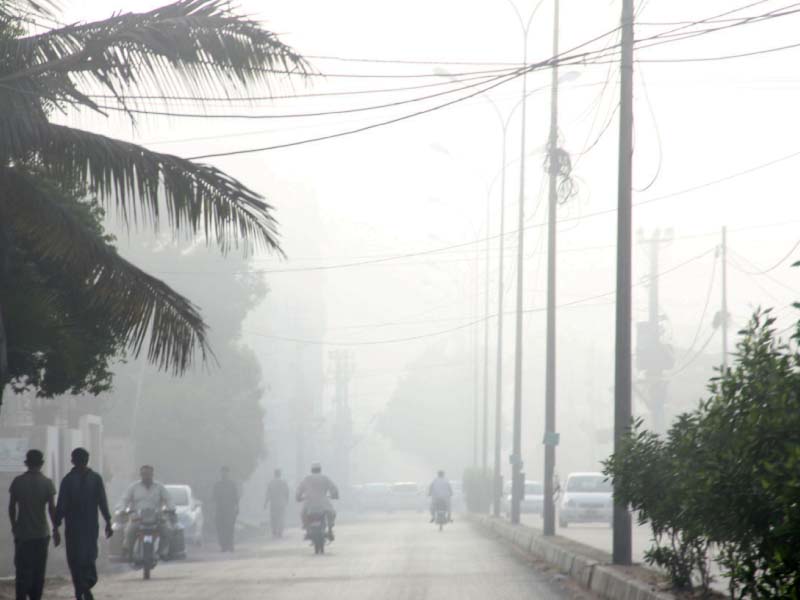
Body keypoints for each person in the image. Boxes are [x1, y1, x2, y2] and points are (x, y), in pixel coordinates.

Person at [54, 448, 113, 600]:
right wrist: (108, 521)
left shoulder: (74, 480)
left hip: (80, 528)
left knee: (80, 560)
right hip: (84, 528)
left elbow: (61, 506)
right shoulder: (87, 479)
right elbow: (103, 503)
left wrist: (56, 526)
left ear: (72, 460)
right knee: (85, 558)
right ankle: (83, 588)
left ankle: (82, 587)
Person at [8, 449, 59, 600]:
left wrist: (14, 526)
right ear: (41, 464)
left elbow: (11, 507)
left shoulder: (18, 482)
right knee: (38, 571)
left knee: (22, 570)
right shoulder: (47, 483)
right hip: (41, 535)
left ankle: (21, 596)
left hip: (23, 534)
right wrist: (56, 529)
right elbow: (51, 509)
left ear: (26, 463)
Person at [121, 465, 175, 559]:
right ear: (140, 475)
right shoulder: (134, 487)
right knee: (129, 530)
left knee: (167, 530)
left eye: (148, 474)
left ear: (152, 474)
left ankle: (162, 552)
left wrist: (171, 509)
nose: (146, 476)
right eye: (144, 474)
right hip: (138, 516)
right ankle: (128, 550)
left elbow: (168, 499)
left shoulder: (159, 487)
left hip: (157, 516)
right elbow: (125, 499)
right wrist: (123, 509)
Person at [295, 463, 339, 541]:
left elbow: (299, 490)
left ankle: (308, 530)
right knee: (332, 513)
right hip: (323, 503)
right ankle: (329, 529)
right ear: (320, 469)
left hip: (309, 504)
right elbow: (333, 489)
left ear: (312, 470)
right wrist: (335, 495)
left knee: (303, 514)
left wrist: (298, 498)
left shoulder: (306, 479)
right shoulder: (325, 478)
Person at [212, 467, 239, 552]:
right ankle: (223, 546)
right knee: (221, 529)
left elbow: (236, 498)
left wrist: (237, 507)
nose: (225, 474)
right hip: (220, 510)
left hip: (230, 510)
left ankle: (230, 545)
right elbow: (214, 498)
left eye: (226, 473)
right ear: (221, 473)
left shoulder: (232, 485)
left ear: (228, 473)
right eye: (223, 472)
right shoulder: (217, 485)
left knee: (230, 528)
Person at [264, 469, 289, 538]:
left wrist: (265, 503)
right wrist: (287, 501)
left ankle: (274, 531)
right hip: (281, 503)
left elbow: (268, 494)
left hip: (273, 503)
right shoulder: (284, 482)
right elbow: (287, 493)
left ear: (274, 474)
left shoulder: (271, 483)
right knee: (281, 517)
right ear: (280, 474)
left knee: (273, 518)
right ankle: (280, 532)